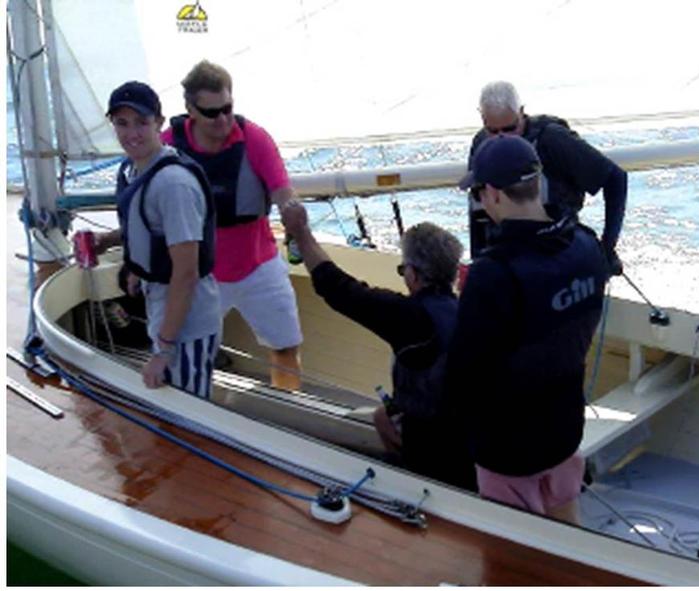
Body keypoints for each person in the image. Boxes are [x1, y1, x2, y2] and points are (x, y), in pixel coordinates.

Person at [447, 135, 609, 522]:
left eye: (480, 194)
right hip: (565, 431)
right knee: (567, 538)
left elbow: (462, 374)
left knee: (515, 563)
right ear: (538, 184)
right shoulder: (587, 247)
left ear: (493, 194)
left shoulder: (493, 274)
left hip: (509, 450)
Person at [282, 215, 476, 491]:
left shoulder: (411, 318)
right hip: (472, 441)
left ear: (412, 274)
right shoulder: (468, 312)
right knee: (382, 416)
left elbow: (338, 288)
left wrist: (301, 234)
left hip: (435, 453)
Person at [162, 60, 305, 390]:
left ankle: (288, 412)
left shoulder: (254, 138)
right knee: (187, 351)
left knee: (285, 347)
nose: (222, 120)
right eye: (212, 113)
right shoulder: (169, 146)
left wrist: (291, 208)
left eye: (228, 109)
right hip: (199, 272)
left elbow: (282, 189)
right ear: (190, 110)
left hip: (259, 265)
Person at [89, 81, 221, 397]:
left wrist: (163, 351)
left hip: (188, 326)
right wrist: (109, 241)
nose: (131, 133)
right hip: (163, 309)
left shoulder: (173, 185)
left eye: (141, 123)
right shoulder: (137, 169)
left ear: (159, 124)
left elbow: (186, 273)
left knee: (190, 416)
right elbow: (154, 229)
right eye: (122, 123)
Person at [463, 81, 626, 274]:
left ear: (521, 112)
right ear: (482, 119)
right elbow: (477, 210)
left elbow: (614, 177)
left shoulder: (553, 139)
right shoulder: (481, 145)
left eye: (510, 129)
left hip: (556, 253)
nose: (501, 138)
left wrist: (607, 247)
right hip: (507, 258)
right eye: (492, 131)